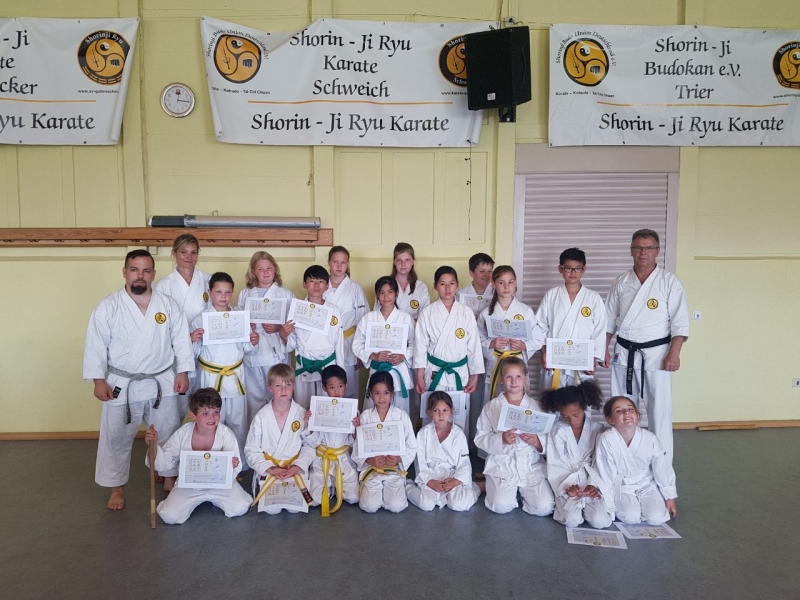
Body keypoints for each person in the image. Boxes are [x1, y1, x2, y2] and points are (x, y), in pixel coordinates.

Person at [84, 249, 194, 509]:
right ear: (125, 272)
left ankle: (168, 477)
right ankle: (116, 488)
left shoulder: (167, 305)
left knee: (167, 433)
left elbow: (180, 340)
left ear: (153, 274)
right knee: (116, 437)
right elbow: (96, 345)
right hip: (122, 383)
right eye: (134, 270)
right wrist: (98, 380)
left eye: (146, 270)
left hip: (161, 380)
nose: (140, 275)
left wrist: (183, 371)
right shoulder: (108, 306)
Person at [603, 229, 689, 465]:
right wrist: (603, 349)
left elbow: (680, 322)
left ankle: (661, 465)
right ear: (631, 250)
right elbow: (609, 320)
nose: (643, 252)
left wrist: (674, 353)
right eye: (638, 247)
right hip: (624, 353)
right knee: (620, 408)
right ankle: (621, 459)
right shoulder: (621, 281)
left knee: (659, 412)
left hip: (657, 354)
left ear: (657, 251)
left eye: (649, 248)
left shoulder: (669, 282)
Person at [144, 388, 252, 524]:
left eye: (216, 412)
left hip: (219, 484)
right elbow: (166, 461)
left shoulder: (226, 434)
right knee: (171, 516)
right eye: (205, 413)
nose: (212, 417)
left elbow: (236, 465)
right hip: (189, 485)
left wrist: (232, 466)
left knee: (240, 508)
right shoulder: (183, 433)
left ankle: (217, 498)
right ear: (193, 415)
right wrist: (153, 445)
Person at [191, 272, 259, 463]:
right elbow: (194, 353)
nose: (223, 296)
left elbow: (247, 349)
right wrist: (192, 340)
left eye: (228, 292)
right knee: (211, 421)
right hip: (211, 378)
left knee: (238, 422)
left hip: (235, 376)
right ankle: (213, 463)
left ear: (232, 293)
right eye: (218, 292)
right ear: (210, 292)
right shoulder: (200, 319)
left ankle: (237, 465)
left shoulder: (239, 317)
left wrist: (253, 340)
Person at [474, 357, 555, 516]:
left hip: (530, 464)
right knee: (500, 506)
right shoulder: (491, 407)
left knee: (544, 508)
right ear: (501, 379)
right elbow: (480, 437)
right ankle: (497, 489)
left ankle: (520, 493)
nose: (514, 381)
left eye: (518, 376)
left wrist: (537, 442)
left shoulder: (537, 406)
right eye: (509, 377)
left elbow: (550, 436)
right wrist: (501, 439)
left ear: (525, 377)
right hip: (503, 463)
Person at [414, 266, 484, 436]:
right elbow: (420, 346)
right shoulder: (427, 313)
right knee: (433, 416)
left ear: (457, 285)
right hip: (434, 372)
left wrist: (475, 375)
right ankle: (430, 450)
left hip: (459, 372)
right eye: (442, 284)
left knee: (459, 417)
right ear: (435, 286)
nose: (447, 288)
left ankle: (458, 451)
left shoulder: (465, 312)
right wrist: (419, 376)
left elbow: (474, 346)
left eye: (451, 283)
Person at [539, 381, 613, 529]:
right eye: (565, 416)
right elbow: (556, 463)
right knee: (571, 521)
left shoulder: (597, 429)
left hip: (592, 483)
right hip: (568, 484)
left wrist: (592, 485)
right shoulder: (556, 431)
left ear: (584, 408)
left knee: (600, 521)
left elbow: (601, 462)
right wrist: (569, 489)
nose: (571, 421)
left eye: (576, 415)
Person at [594, 396, 677, 526]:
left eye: (630, 409)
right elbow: (606, 474)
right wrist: (608, 503)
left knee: (656, 518)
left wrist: (669, 496)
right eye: (619, 411)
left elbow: (662, 469)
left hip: (646, 484)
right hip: (622, 486)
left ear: (638, 416)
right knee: (630, 517)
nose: (626, 413)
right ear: (610, 420)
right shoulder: (606, 439)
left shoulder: (650, 438)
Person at [153, 234, 210, 419]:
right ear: (174, 253)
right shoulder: (162, 286)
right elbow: (159, 327)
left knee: (205, 405)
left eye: (193, 252)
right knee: (174, 409)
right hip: (176, 355)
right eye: (183, 252)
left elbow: (218, 313)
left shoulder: (209, 281)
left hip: (206, 352)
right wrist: (186, 339)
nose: (189, 257)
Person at [235, 251, 295, 426]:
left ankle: (279, 435)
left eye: (269, 268)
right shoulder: (245, 294)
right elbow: (237, 321)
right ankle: (257, 436)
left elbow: (294, 323)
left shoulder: (285, 294)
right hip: (253, 352)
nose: (265, 272)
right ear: (253, 271)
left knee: (279, 397)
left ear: (275, 269)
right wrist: (248, 326)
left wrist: (279, 328)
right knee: (254, 399)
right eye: (260, 269)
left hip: (276, 353)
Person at [245, 364, 313, 515]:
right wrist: (270, 468)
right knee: (272, 511)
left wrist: (297, 466)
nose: (283, 390)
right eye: (278, 385)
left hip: (293, 469)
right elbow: (251, 450)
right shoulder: (261, 417)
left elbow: (309, 446)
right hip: (270, 470)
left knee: (295, 510)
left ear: (294, 386)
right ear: (269, 387)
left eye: (288, 385)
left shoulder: (302, 414)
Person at [536, 248, 607, 392]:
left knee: (580, 402)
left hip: (582, 363)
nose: (573, 273)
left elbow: (599, 330)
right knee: (553, 401)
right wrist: (544, 353)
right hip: (554, 361)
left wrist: (593, 359)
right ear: (560, 269)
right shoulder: (551, 295)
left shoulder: (593, 298)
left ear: (584, 270)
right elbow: (540, 326)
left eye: (577, 268)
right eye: (568, 268)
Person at [477, 265, 545, 407]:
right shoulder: (486, 313)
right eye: (501, 282)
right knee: (494, 405)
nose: (506, 286)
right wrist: (491, 344)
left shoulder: (525, 311)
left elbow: (539, 339)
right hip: (495, 364)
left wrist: (524, 345)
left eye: (510, 282)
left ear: (516, 283)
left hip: (518, 363)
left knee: (519, 403)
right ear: (493, 284)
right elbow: (476, 340)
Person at [352, 371, 417, 513]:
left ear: (392, 393)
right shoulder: (365, 416)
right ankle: (375, 490)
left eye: (386, 393)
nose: (381, 398)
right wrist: (370, 460)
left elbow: (411, 446)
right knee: (370, 507)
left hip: (394, 469)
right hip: (372, 469)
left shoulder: (401, 416)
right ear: (370, 393)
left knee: (396, 506)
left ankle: (400, 487)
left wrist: (398, 459)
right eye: (377, 393)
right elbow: (358, 447)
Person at [281, 265, 345, 409]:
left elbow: (339, 343)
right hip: (304, 364)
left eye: (321, 281)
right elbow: (292, 343)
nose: (317, 285)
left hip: (328, 365)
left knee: (327, 407)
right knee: (303, 407)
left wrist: (340, 372)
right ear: (304, 284)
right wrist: (284, 335)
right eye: (312, 281)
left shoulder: (333, 311)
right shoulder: (296, 310)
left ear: (327, 286)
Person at [406, 391, 480, 512]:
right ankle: (407, 486)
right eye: (436, 410)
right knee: (426, 505)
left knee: (460, 505)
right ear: (429, 412)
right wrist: (430, 482)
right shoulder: (423, 434)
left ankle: (476, 487)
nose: (441, 415)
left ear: (451, 411)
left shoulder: (458, 434)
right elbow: (420, 463)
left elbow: (464, 462)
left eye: (445, 410)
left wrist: (455, 481)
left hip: (452, 476)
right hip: (431, 475)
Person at [352, 276, 415, 415]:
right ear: (377, 295)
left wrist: (403, 355)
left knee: (399, 413)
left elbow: (415, 343)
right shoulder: (369, 318)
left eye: (390, 292)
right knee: (374, 410)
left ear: (396, 294)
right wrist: (373, 356)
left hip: (398, 370)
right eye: (382, 292)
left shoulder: (405, 318)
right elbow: (357, 344)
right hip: (377, 371)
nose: (386, 297)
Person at [302, 365, 360, 516]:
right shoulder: (317, 409)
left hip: (342, 459)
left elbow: (353, 442)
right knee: (315, 500)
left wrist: (355, 429)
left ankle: (335, 485)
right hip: (323, 459)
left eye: (340, 386)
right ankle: (329, 484)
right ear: (324, 388)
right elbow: (313, 441)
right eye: (332, 387)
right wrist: (310, 424)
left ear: (346, 385)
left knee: (354, 498)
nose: (336, 391)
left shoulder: (352, 410)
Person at [323, 246, 368, 399]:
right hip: (326, 343)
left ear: (348, 264)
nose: (339, 266)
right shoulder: (321, 285)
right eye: (335, 261)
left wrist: (361, 352)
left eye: (343, 262)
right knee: (327, 385)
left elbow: (363, 320)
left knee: (349, 387)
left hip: (349, 342)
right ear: (329, 262)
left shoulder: (355, 288)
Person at [376, 242, 430, 322]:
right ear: (394, 261)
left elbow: (425, 317)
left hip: (415, 328)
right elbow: (376, 316)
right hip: (389, 327)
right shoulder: (384, 285)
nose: (403, 264)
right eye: (399, 260)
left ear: (413, 261)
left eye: (407, 260)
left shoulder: (421, 287)